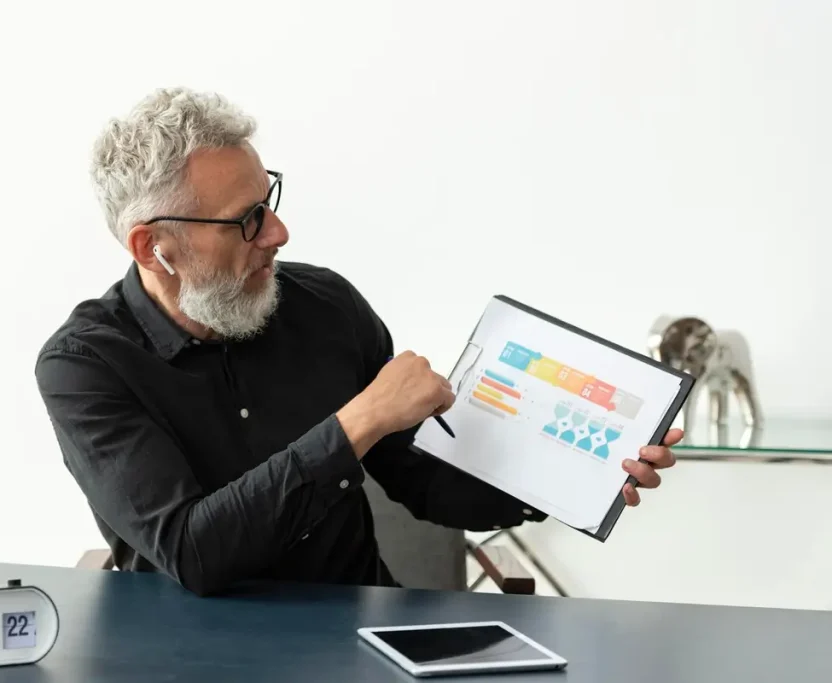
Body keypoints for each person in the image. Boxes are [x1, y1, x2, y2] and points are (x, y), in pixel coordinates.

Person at [34, 87, 681, 597]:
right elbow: (195, 552)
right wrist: (362, 418)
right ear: (154, 246)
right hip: (189, 655)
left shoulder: (325, 307)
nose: (279, 232)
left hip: (358, 636)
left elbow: (423, 481)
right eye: (246, 219)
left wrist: (574, 475)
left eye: (270, 199)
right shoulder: (85, 366)